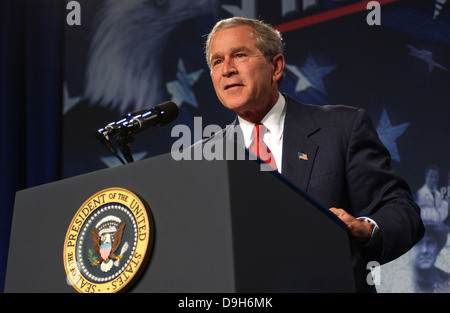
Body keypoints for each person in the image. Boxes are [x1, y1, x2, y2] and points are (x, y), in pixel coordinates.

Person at [202, 16, 424, 292]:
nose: (227, 70)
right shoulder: (204, 158)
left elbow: (400, 210)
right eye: (217, 61)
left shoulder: (343, 127)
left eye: (239, 55)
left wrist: (364, 229)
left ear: (276, 66)